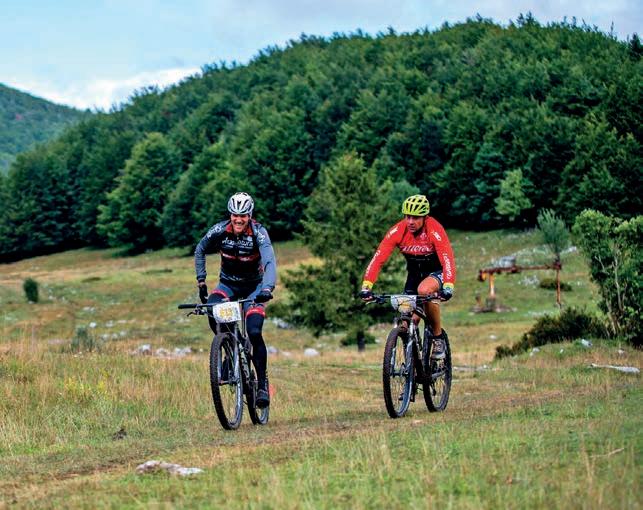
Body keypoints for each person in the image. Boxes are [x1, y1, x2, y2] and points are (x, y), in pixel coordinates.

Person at [194, 192, 276, 408]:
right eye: (235, 215)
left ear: (250, 215)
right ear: (230, 215)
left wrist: (267, 288)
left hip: (254, 288)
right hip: (228, 286)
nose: (238, 220)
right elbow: (200, 249)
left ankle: (262, 385)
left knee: (255, 331)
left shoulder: (259, 233)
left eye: (243, 215)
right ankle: (230, 349)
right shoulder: (220, 230)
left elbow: (269, 261)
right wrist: (201, 281)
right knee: (212, 310)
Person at [359, 194, 456, 359]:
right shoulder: (397, 231)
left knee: (424, 290)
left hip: (437, 273)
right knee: (406, 319)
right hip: (414, 276)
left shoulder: (434, 229)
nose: (410, 221)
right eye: (407, 216)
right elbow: (378, 259)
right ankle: (412, 365)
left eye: (415, 217)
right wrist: (366, 286)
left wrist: (448, 286)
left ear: (425, 217)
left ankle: (438, 338)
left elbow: (447, 259)